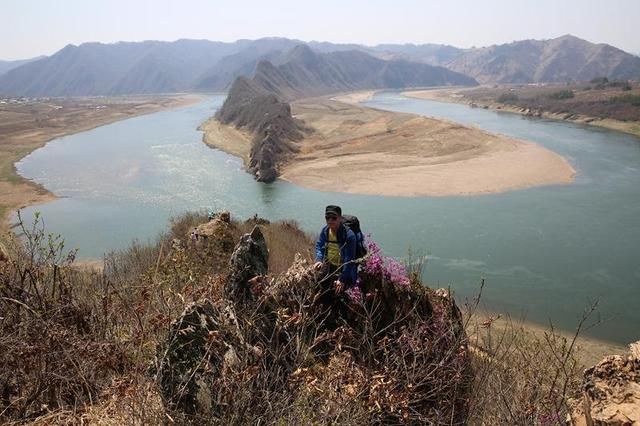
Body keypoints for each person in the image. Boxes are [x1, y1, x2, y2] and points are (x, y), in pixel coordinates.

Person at [314, 205, 357, 296]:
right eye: (327, 218)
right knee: (318, 286)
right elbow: (319, 245)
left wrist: (342, 279)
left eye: (334, 218)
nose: (330, 220)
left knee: (341, 294)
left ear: (340, 218)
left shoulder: (349, 235)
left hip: (344, 267)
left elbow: (349, 260)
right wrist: (319, 259)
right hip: (330, 264)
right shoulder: (325, 231)